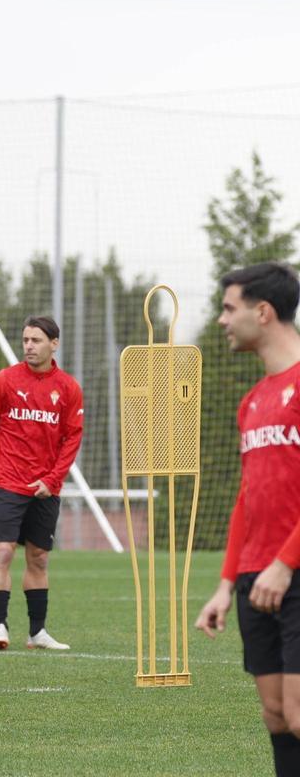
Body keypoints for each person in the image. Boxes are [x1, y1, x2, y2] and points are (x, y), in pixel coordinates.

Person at [195, 262, 300, 776]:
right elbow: (247, 498)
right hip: (258, 577)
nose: (222, 320)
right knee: (277, 716)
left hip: (295, 572)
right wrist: (226, 582)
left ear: (264, 311)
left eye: (229, 308)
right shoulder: (253, 401)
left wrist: (285, 563)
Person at [0, 315, 83, 652]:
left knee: (40, 558)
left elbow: (72, 439)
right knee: (2, 552)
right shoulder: (4, 381)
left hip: (46, 488)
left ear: (54, 344)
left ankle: (37, 633)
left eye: (36, 340)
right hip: (7, 482)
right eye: (26, 340)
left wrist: (52, 479)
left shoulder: (69, 388)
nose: (29, 346)